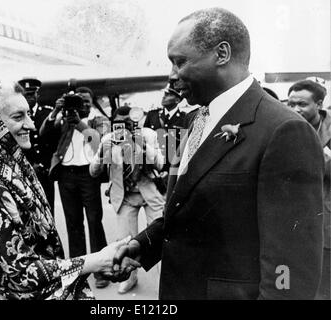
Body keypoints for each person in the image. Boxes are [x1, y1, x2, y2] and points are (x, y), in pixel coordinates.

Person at [108, 8, 325, 300]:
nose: (172, 75)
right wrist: (143, 245)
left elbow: (291, 269)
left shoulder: (284, 131)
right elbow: (187, 209)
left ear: (222, 53)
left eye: (180, 61)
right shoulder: (199, 119)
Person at [0, 80, 133, 300]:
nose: (31, 125)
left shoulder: (14, 169)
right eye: (18, 117)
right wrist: (95, 261)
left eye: (28, 114)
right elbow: (21, 272)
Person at [39, 87, 110, 289]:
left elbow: (98, 142)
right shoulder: (64, 119)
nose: (84, 105)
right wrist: (55, 112)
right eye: (80, 102)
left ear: (92, 102)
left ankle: (101, 270)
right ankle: (78, 272)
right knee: (73, 224)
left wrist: (78, 123)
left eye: (87, 101)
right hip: (66, 175)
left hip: (89, 174)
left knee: (95, 221)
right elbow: (44, 134)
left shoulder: (98, 119)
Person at [90, 106, 165, 293]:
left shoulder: (148, 134)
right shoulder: (108, 139)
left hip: (149, 193)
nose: (124, 127)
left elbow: (160, 164)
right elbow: (93, 172)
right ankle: (130, 279)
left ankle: (165, 283)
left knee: (160, 239)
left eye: (128, 122)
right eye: (119, 123)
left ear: (135, 121)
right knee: (124, 241)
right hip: (125, 196)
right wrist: (102, 154)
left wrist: (141, 144)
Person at [287, 79, 330, 299]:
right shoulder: (284, 127)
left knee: (324, 288)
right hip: (294, 225)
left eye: (302, 104)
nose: (295, 109)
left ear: (319, 104)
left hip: (326, 227)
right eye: (291, 104)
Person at [18, 78, 58, 216]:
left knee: (48, 210)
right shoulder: (17, 116)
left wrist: (46, 165)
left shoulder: (48, 112)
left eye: (32, 94)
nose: (29, 97)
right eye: (26, 94)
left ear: (37, 95)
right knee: (29, 213)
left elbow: (53, 140)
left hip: (45, 171)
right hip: (26, 171)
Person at [143, 82, 188, 190]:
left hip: (173, 172)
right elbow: (145, 141)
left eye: (168, 94)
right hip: (153, 172)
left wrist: (168, 171)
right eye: (165, 93)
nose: (164, 96)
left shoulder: (184, 119)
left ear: (177, 100)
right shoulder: (152, 115)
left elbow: (182, 149)